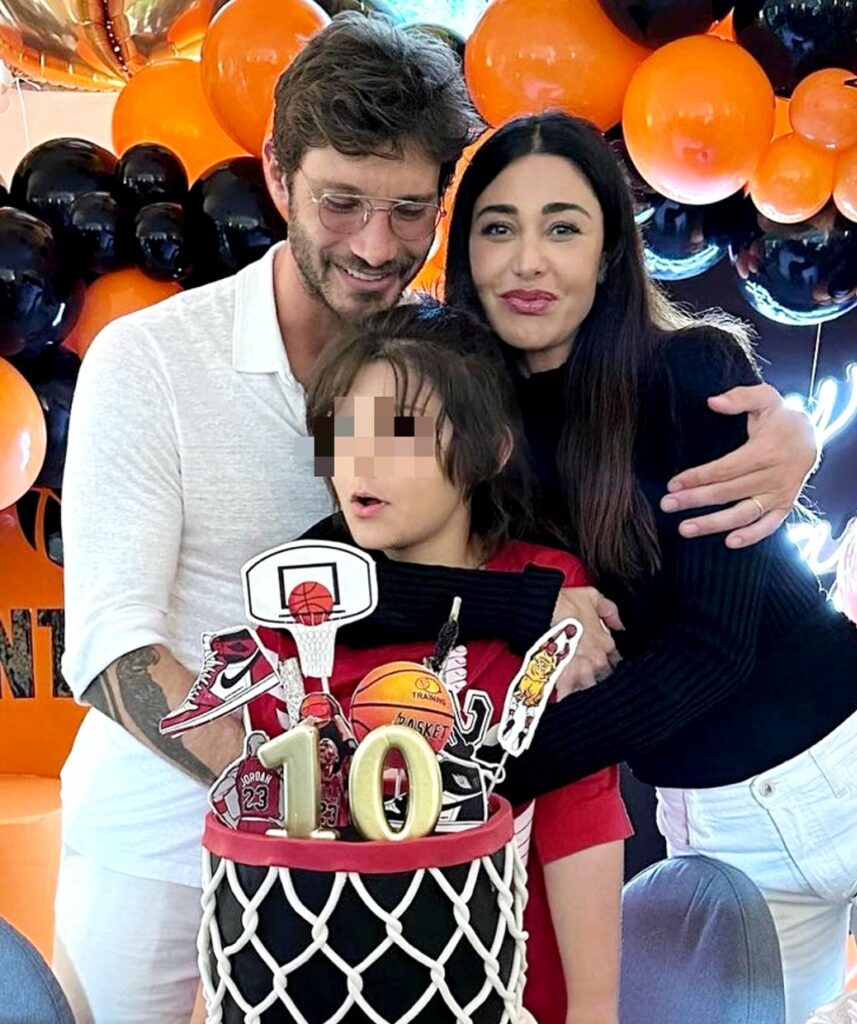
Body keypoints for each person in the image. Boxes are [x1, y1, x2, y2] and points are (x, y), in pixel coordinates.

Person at [58, 13, 814, 1024]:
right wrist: (309, 804)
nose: (376, 247)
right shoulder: (151, 360)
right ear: (277, 173)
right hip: (162, 842)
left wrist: (784, 430)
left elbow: (609, 389)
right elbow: (113, 650)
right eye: (340, 203)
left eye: (409, 209)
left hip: (412, 847)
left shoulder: (456, 364)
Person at [319, 111, 857, 1024]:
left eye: (564, 227)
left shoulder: (691, 369)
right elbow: (324, 583)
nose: (529, 261)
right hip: (720, 832)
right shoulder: (458, 419)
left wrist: (484, 782)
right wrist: (529, 602)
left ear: (610, 253)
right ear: (465, 251)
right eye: (499, 227)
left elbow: (714, 649)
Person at [260, 302, 631, 1024]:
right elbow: (264, 835)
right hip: (323, 986)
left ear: (489, 452)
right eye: (343, 431)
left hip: (503, 987)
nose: (359, 463)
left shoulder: (556, 593)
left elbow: (580, 813)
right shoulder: (301, 602)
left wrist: (595, 1009)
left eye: (398, 434)